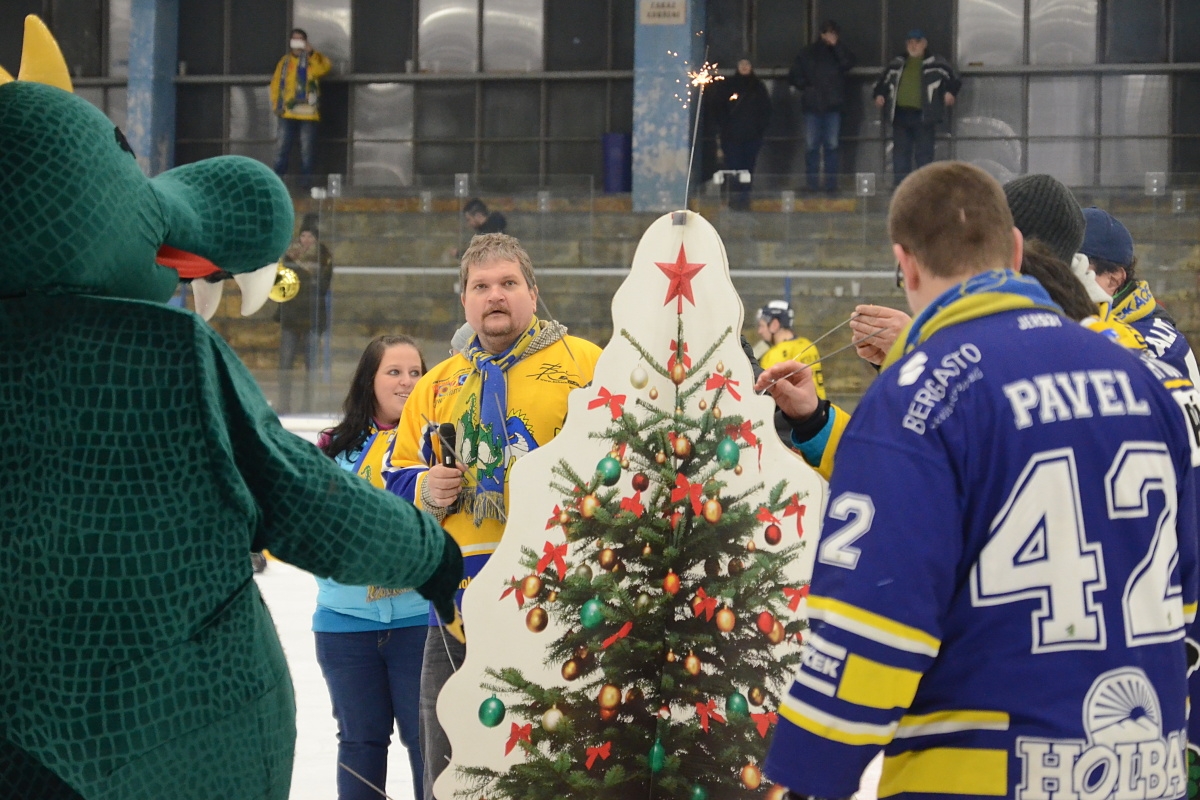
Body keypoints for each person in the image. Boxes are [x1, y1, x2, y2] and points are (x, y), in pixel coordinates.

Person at [760, 161, 1200, 799]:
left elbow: (873, 625)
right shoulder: (1142, 379)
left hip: (985, 773)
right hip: (1135, 769)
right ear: (1014, 248)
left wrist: (804, 778)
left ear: (905, 264)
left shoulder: (923, 388)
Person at [384, 233, 602, 800]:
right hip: (455, 611)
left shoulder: (586, 366)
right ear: (465, 301)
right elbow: (392, 476)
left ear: (533, 292)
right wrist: (426, 489)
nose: (495, 296)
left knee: (557, 768)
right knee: (448, 770)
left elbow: (626, 459)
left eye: (508, 283)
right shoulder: (437, 385)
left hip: (564, 606)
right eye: (480, 287)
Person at [315, 335, 431, 800]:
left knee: (429, 745)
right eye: (394, 372)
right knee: (360, 743)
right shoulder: (331, 450)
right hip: (344, 628)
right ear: (370, 379)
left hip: (418, 625)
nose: (406, 382)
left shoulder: (438, 446)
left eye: (416, 372)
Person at [1081, 206, 1200, 383]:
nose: (1063, 279)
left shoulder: (1153, 347)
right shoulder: (1101, 324)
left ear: (1113, 280)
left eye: (1078, 268)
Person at [873, 29, 960, 186]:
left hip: (924, 116)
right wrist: (879, 95)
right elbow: (882, 83)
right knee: (900, 155)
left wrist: (950, 92)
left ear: (924, 44)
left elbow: (954, 78)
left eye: (917, 42)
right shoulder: (897, 64)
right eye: (910, 43)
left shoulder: (937, 63)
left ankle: (925, 189)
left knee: (924, 155)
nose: (913, 46)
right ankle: (900, 189)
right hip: (900, 115)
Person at [789, 20, 855, 193]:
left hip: (833, 106)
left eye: (834, 33)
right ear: (821, 34)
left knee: (831, 146)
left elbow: (848, 63)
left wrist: (837, 47)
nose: (831, 36)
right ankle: (812, 184)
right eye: (827, 32)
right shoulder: (808, 53)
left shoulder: (840, 52)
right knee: (812, 146)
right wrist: (808, 87)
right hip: (813, 106)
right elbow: (795, 75)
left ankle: (831, 185)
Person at [277, 212, 334, 414]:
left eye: (310, 236)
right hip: (291, 315)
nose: (306, 240)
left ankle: (308, 406)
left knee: (311, 364)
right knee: (285, 362)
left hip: (312, 316)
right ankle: (283, 405)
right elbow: (281, 283)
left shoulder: (323, 257)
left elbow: (323, 285)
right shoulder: (289, 256)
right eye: (303, 236)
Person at [270, 28, 331, 189]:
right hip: (286, 112)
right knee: (282, 149)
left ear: (305, 41)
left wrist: (311, 53)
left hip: (308, 114)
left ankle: (305, 185)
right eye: (294, 40)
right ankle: (276, 184)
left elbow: (324, 69)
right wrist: (276, 104)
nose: (297, 43)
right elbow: (275, 84)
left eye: (300, 40)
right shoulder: (284, 61)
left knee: (307, 151)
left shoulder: (312, 59)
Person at [711, 57, 772, 210]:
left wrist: (759, 130)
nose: (744, 67)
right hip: (732, 137)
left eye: (747, 64)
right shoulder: (728, 86)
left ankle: (744, 200)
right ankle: (734, 199)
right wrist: (725, 127)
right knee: (734, 168)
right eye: (742, 64)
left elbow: (766, 111)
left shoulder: (758, 86)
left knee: (747, 169)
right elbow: (719, 108)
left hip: (752, 137)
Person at [757, 299, 825, 399]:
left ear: (774, 325)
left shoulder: (774, 354)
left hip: (793, 412)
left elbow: (763, 394)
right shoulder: (808, 345)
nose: (760, 331)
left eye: (762, 326)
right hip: (820, 409)